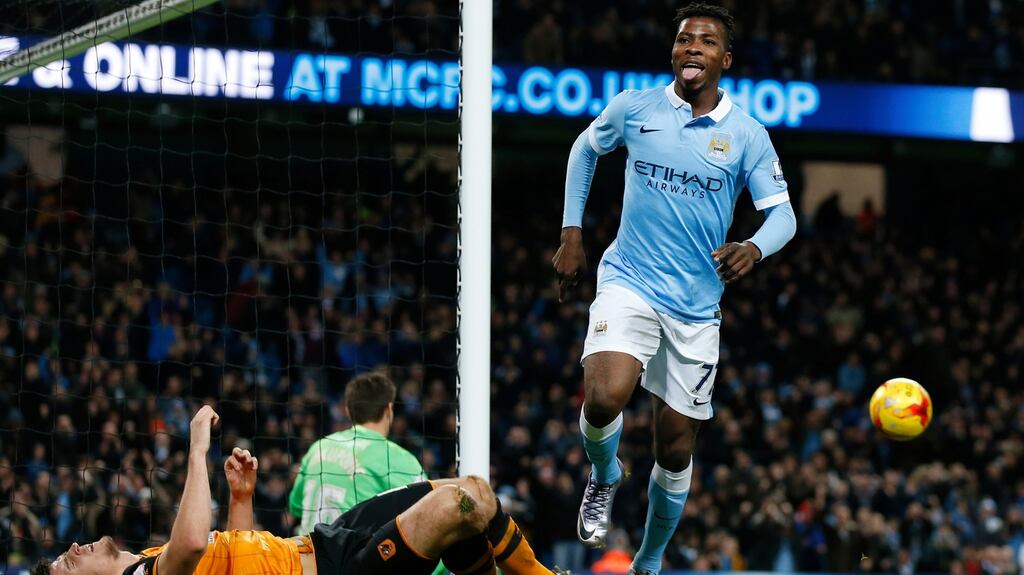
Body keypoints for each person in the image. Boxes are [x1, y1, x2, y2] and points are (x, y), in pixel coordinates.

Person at [552, 3, 797, 574]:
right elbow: (585, 151)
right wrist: (571, 233)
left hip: (695, 307)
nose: (692, 48)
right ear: (674, 51)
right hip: (629, 279)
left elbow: (782, 216)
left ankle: (650, 559)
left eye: (706, 42)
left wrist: (755, 246)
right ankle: (605, 475)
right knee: (606, 393)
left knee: (675, 447)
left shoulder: (746, 136)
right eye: (685, 39)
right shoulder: (635, 107)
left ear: (724, 59)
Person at [33, 406, 566, 575]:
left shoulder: (147, 559)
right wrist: (196, 448)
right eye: (66, 564)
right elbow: (195, 541)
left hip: (323, 543)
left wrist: (240, 500)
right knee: (460, 505)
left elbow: (236, 562)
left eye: (65, 551)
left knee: (471, 490)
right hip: (336, 570)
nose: (74, 549)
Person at [289, 372, 425, 534]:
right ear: (388, 409)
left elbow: (295, 506)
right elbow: (429, 517)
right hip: (353, 556)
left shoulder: (318, 447)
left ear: (347, 411)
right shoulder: (398, 458)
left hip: (307, 553)